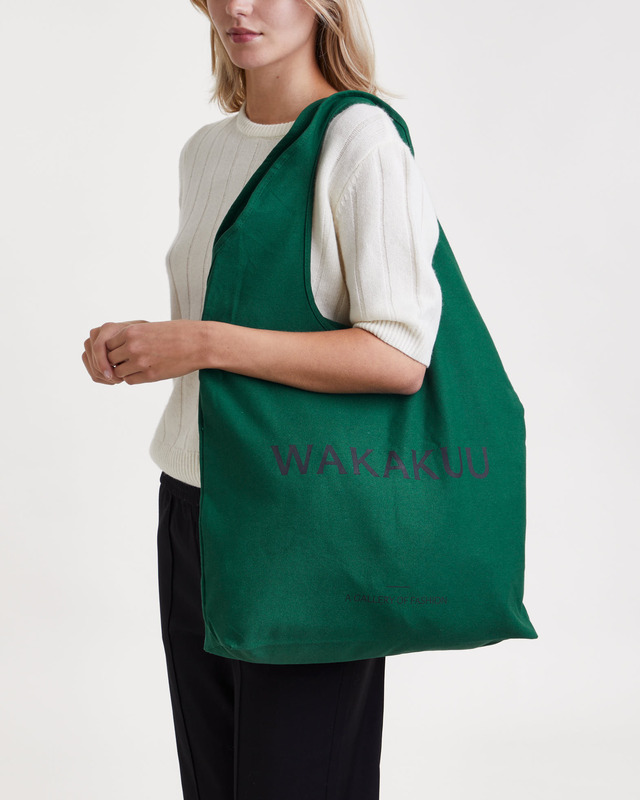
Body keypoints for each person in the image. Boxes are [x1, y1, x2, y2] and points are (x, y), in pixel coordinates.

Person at [82, 1, 443, 797]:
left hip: (306, 522)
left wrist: (202, 342)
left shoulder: (358, 141)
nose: (238, 7)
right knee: (214, 781)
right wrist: (141, 344)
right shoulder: (207, 150)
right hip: (195, 504)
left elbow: (399, 355)